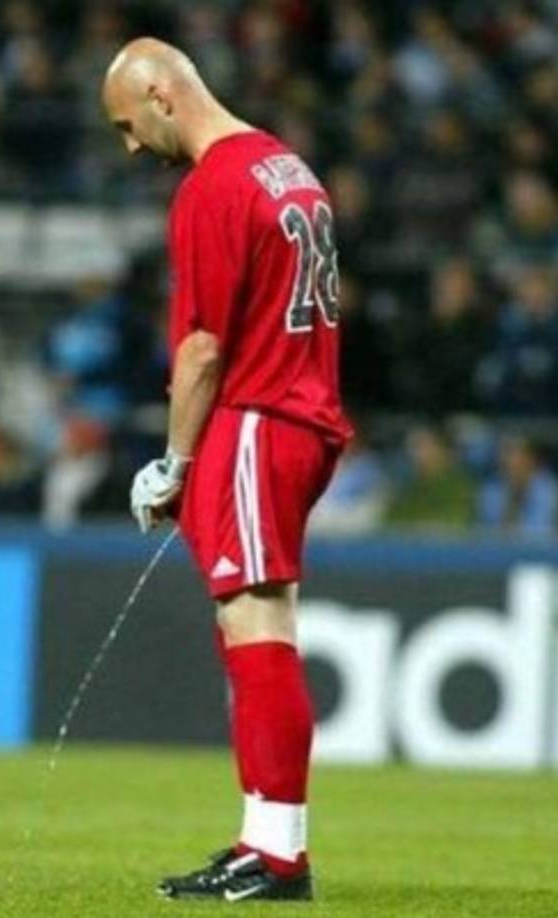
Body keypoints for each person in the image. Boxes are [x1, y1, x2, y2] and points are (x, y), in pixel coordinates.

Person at [103, 37, 351, 902]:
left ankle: (279, 852)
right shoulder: (289, 168)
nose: (131, 146)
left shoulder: (212, 185)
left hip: (258, 421)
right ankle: (263, 838)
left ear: (163, 95)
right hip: (305, 416)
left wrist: (173, 461)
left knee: (256, 630)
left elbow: (203, 348)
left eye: (130, 125)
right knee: (260, 622)